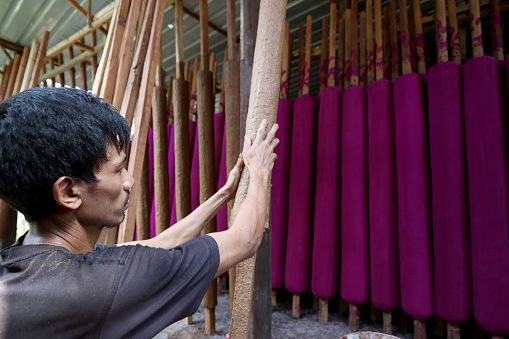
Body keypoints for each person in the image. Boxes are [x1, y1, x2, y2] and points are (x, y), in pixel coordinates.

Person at [0, 87, 278, 338]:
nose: (129, 181)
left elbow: (158, 245)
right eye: (118, 169)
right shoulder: (102, 285)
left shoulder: (23, 261)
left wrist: (223, 196)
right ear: (69, 192)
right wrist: (261, 171)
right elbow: (245, 240)